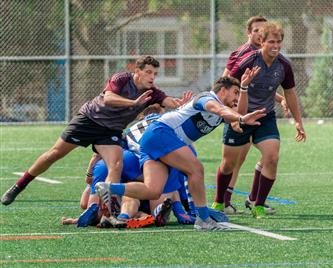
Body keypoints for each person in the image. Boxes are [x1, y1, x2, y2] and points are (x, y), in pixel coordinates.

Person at [1, 55, 191, 206]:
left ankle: (109, 211)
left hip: (110, 131)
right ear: (137, 71)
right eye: (149, 72)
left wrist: (180, 104)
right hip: (89, 120)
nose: (152, 77)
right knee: (54, 154)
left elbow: (168, 101)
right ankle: (19, 186)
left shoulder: (152, 93)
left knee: (115, 165)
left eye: (155, 74)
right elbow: (108, 98)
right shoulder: (122, 79)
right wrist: (133, 103)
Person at [95, 72, 265, 231]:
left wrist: (243, 90)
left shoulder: (223, 111)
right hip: (161, 133)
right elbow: (223, 111)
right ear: (223, 90)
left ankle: (109, 188)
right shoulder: (207, 98)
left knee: (153, 190)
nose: (237, 98)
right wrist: (241, 118)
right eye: (235, 93)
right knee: (196, 169)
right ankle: (203, 219)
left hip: (154, 139)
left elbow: (237, 116)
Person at [213, 22, 306, 219]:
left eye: (279, 42)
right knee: (229, 163)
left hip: (265, 117)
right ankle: (219, 202)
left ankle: (258, 205)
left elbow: (290, 92)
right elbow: (227, 85)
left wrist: (298, 121)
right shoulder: (247, 61)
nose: (276, 45)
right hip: (241, 115)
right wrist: (231, 114)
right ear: (261, 42)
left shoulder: (284, 66)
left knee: (271, 157)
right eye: (271, 41)